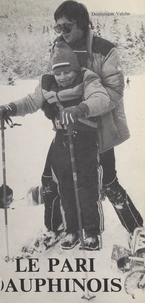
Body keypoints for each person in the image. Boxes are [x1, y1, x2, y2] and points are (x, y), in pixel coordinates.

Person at [41, 0, 143, 245]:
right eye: (57, 28)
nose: (61, 32)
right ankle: (56, 228)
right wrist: (49, 103)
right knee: (50, 180)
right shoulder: (58, 48)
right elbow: (50, 80)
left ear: (83, 23)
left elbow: (114, 92)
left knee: (107, 182)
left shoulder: (104, 49)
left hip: (99, 130)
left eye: (66, 26)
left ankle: (138, 231)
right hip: (65, 131)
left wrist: (83, 109)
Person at [0, 41, 112, 250]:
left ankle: (92, 232)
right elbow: (31, 102)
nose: (62, 77)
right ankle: (72, 230)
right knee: (65, 188)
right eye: (58, 73)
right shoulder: (47, 83)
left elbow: (101, 99)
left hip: (85, 141)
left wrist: (80, 109)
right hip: (61, 141)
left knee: (87, 188)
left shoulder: (87, 79)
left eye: (67, 72)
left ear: (75, 69)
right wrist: (10, 108)